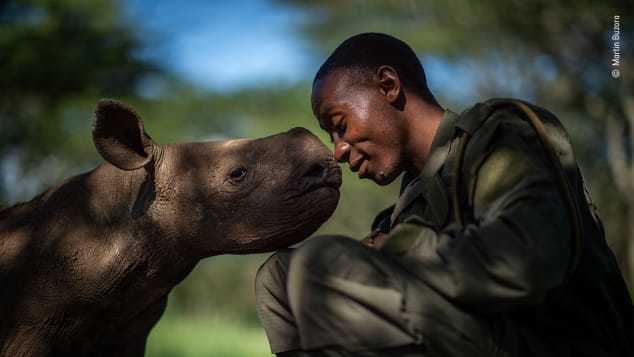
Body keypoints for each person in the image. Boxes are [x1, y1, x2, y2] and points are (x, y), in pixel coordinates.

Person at [254, 33, 633, 356]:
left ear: (388, 86)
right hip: (475, 336)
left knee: (320, 263)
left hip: (551, 345)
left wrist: (397, 248)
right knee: (278, 274)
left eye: (340, 125)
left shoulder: (501, 135)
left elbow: (526, 261)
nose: (337, 149)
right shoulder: (401, 210)